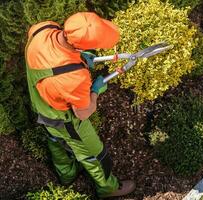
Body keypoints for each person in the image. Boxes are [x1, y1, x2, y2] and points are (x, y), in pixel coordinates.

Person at [25, 12, 135, 198]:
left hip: (41, 106)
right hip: (65, 120)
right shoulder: (75, 79)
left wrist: (79, 56)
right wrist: (95, 91)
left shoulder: (43, 29)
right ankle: (108, 188)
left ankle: (66, 175)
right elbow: (83, 113)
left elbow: (53, 55)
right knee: (95, 154)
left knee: (55, 140)